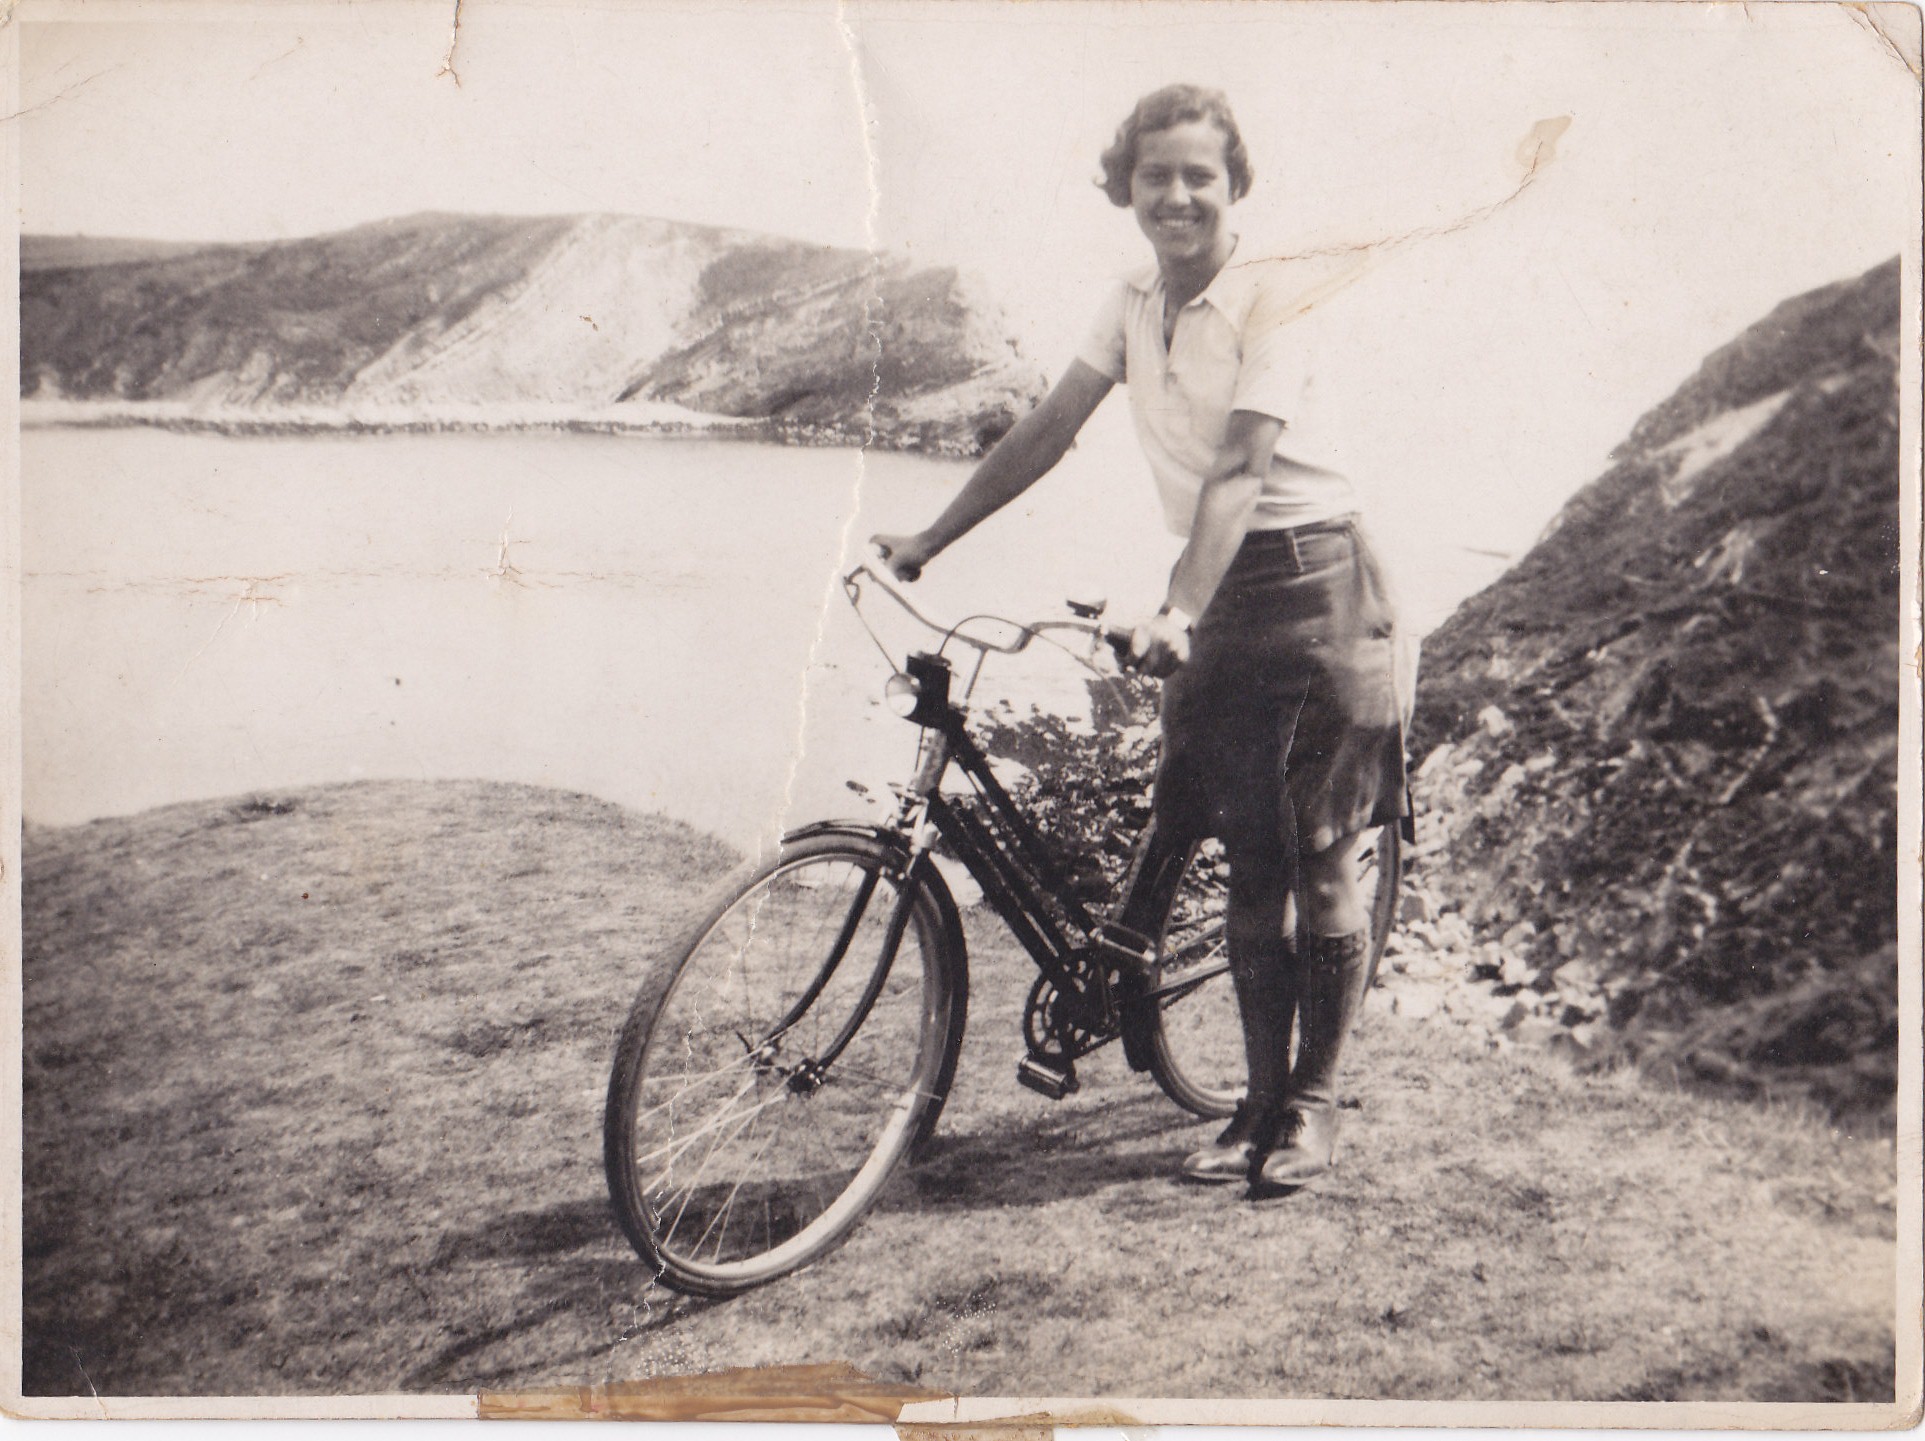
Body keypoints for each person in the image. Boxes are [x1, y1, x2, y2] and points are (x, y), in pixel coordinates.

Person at [872, 84, 1408, 1192]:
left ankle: (1310, 1106)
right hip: (1217, 591)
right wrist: (930, 536)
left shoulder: (1275, 296)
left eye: (1198, 175)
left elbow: (1240, 470)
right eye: (1154, 174)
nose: (1176, 196)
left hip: (1315, 585)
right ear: (1125, 187)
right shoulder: (1128, 300)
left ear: (1232, 184)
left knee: (1317, 859)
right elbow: (1048, 426)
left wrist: (1175, 610)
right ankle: (1252, 1105)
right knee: (1246, 858)